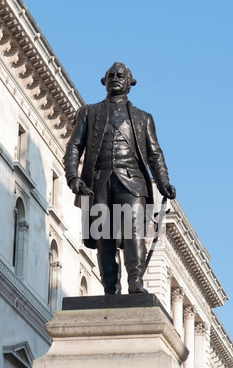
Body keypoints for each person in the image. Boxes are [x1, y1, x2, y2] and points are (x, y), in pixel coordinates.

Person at [64, 62, 176, 295]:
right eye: (111, 75)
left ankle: (135, 281)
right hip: (98, 183)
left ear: (129, 83)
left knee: (133, 231)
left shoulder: (143, 118)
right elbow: (74, 146)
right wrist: (73, 177)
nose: (115, 78)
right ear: (104, 81)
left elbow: (155, 153)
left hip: (132, 183)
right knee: (104, 238)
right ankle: (110, 289)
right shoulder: (89, 112)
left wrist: (163, 183)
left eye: (121, 76)